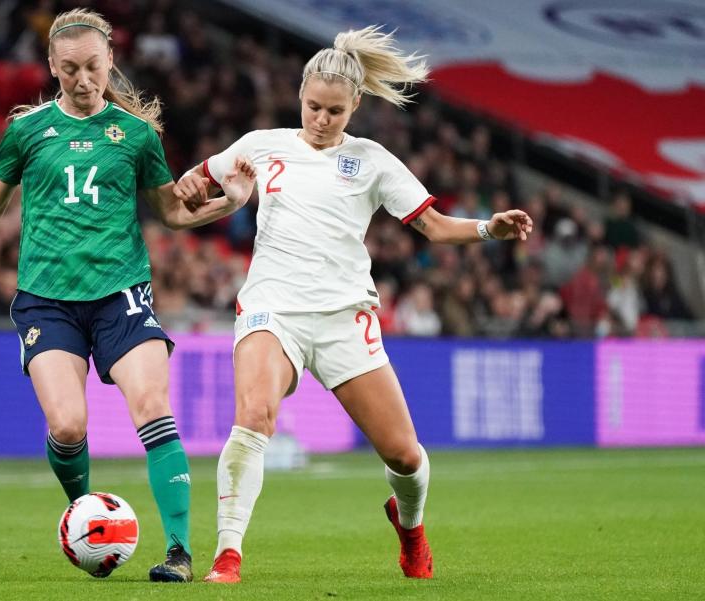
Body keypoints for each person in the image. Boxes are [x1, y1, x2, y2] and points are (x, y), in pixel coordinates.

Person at [0, 9, 256, 582]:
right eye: (69, 70)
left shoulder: (136, 135)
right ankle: (83, 515)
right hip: (47, 301)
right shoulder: (28, 132)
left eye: (92, 67)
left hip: (122, 295)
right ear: (51, 67)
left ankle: (181, 552)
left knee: (153, 409)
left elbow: (169, 213)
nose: (83, 80)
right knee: (66, 427)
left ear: (110, 61)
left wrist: (229, 204)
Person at [175, 26, 533, 583]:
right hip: (274, 308)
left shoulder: (372, 161)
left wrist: (489, 228)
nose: (321, 120)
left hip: (345, 319)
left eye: (335, 112)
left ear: (355, 106)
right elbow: (188, 188)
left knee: (405, 457)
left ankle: (410, 528)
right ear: (299, 97)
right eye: (314, 107)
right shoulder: (259, 145)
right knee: (253, 415)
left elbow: (435, 228)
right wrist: (204, 193)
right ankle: (228, 553)